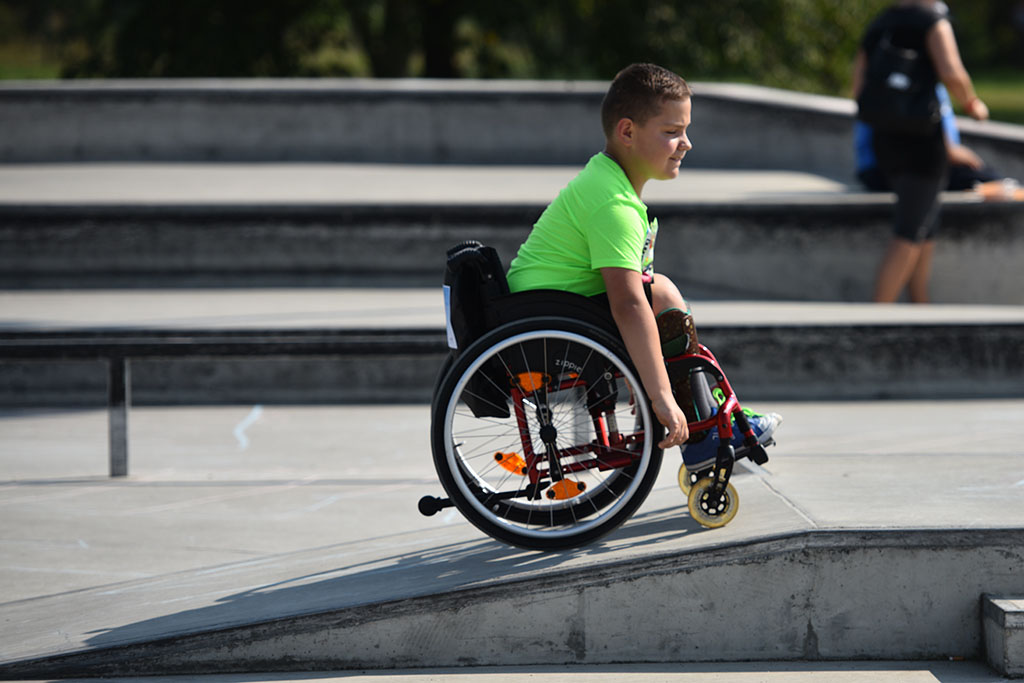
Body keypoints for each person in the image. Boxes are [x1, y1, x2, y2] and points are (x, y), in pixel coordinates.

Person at [505, 63, 781, 475]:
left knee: (661, 291)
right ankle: (705, 428)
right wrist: (660, 394)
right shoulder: (612, 205)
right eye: (672, 132)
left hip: (552, 311)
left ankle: (708, 418)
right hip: (548, 325)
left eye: (685, 130)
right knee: (661, 294)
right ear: (628, 132)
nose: (686, 143)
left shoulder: (608, 184)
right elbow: (630, 305)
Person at [852, 0, 989, 304]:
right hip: (922, 139)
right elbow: (952, 72)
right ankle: (875, 316)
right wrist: (972, 104)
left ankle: (919, 303)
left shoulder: (881, 23)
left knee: (925, 224)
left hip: (884, 138)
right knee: (909, 231)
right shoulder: (932, 21)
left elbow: (858, 87)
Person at [855, 84, 1002, 193]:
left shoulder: (877, 71)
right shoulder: (922, 82)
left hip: (872, 169)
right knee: (995, 184)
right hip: (906, 170)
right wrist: (971, 103)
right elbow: (942, 150)